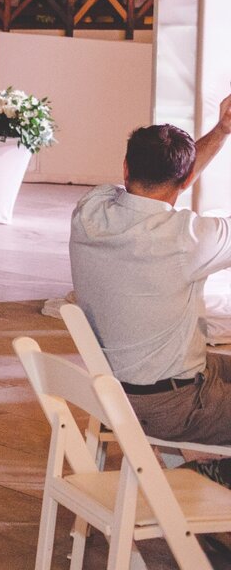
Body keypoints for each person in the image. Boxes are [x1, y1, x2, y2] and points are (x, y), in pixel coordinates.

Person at [70, 93, 231, 480]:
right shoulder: (186, 240)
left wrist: (223, 131)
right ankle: (213, 481)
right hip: (174, 404)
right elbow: (179, 181)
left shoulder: (89, 210)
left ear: (125, 168)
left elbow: (174, 180)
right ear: (183, 180)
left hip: (115, 391)